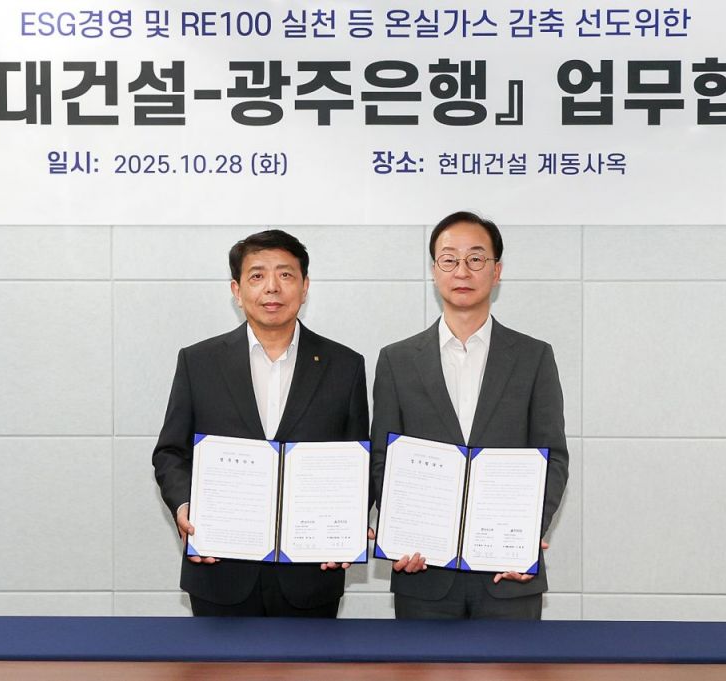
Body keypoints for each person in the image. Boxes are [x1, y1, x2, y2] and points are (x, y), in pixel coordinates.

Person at [153, 229, 369, 617]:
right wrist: (185, 505)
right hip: (220, 570)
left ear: (305, 287)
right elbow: (171, 452)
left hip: (310, 576)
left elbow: (358, 463)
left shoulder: (345, 365)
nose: (272, 287)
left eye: (285, 274)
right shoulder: (198, 362)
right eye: (257, 276)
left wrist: (346, 525)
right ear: (236, 291)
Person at [370, 211, 569, 620]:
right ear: (434, 271)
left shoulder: (533, 357)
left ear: (497, 271)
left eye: (476, 259)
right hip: (423, 574)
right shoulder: (397, 360)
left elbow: (553, 458)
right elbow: (382, 459)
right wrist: (399, 532)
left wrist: (525, 534)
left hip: (507, 575)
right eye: (449, 260)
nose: (462, 271)